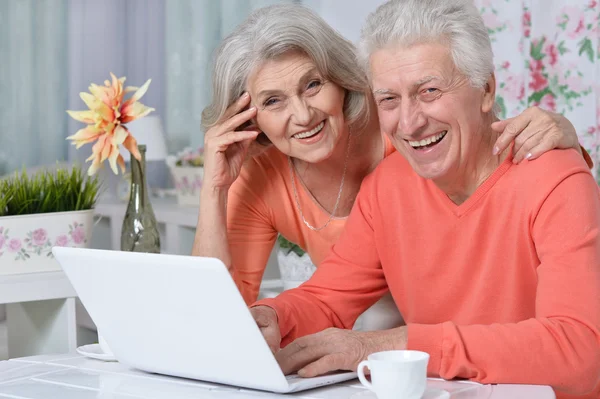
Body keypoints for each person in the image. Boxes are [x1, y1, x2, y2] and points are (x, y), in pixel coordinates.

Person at [248, 1, 600, 398]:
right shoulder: (387, 186)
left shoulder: (556, 177)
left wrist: (393, 344)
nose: (410, 122)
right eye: (389, 100)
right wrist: (271, 316)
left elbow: (579, 350)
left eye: (429, 91)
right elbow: (326, 299)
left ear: (485, 88)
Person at [193, 4, 590, 314]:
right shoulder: (263, 177)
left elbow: (483, 147)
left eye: (313, 85)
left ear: (340, 80)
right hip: (382, 342)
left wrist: (564, 151)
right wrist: (213, 191)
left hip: (429, 339)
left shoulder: (403, 129)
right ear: (250, 118)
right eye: (273, 101)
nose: (303, 115)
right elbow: (223, 309)